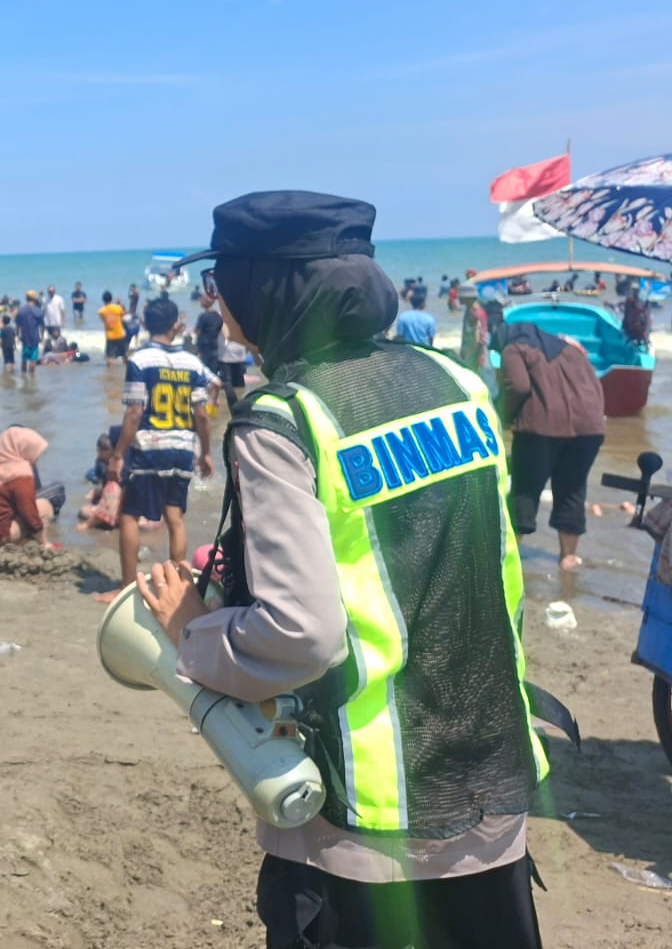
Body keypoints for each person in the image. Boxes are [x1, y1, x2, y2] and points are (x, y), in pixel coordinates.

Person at [139, 190, 547, 949]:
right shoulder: (457, 384)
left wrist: (193, 631)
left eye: (220, 283)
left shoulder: (285, 421)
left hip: (363, 821)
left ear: (265, 290)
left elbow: (303, 634)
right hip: (491, 784)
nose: (215, 303)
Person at [98, 297, 213, 601]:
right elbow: (202, 414)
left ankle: (126, 588)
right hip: (183, 448)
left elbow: (134, 412)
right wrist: (206, 452)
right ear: (176, 325)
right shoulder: (193, 363)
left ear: (146, 324)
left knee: (129, 516)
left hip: (150, 448)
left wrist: (118, 454)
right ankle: (178, 585)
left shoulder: (140, 360)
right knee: (175, 517)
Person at [497, 321, 608, 571]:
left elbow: (518, 386)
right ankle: (568, 558)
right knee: (572, 490)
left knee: (525, 490)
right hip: (590, 428)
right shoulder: (570, 349)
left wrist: (501, 416)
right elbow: (595, 386)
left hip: (540, 428)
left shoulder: (513, 349)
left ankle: (509, 559)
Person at [15, 290, 45, 374]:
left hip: (25, 337)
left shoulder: (21, 310)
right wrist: (42, 336)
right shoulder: (38, 311)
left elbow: (18, 325)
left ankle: (24, 376)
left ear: (26, 298)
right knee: (33, 359)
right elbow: (42, 326)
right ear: (34, 299)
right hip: (35, 337)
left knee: (24, 359)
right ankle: (31, 377)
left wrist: (17, 336)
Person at [98, 290, 127, 367]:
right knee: (124, 354)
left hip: (110, 336)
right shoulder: (118, 308)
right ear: (111, 298)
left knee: (110, 356)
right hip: (120, 334)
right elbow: (123, 316)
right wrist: (119, 304)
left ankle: (110, 371)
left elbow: (103, 320)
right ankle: (127, 368)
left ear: (103, 300)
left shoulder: (101, 311)